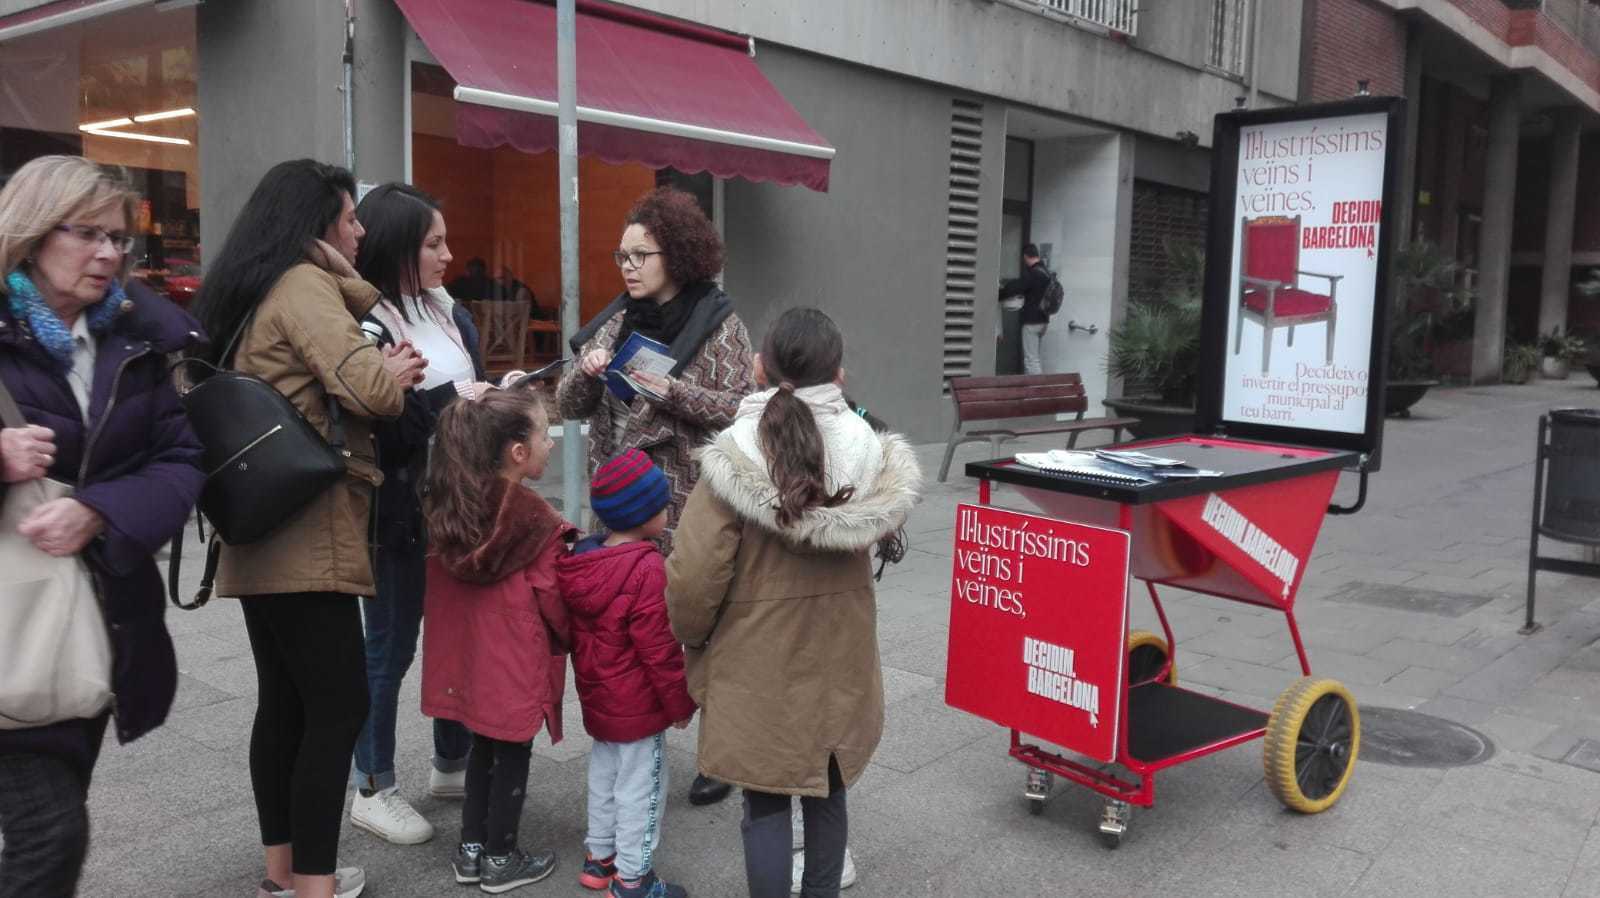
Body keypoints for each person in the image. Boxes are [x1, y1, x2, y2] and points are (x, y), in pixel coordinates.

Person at [192, 159, 426, 898]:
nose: (360, 232)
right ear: (315, 224)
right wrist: (393, 370)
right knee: (339, 705)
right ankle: (314, 886)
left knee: (286, 704)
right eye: (350, 218)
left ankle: (284, 875)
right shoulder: (302, 284)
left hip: (259, 522)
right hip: (306, 529)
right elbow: (372, 391)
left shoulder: (253, 286)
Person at [0, 155, 205, 898]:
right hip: (11, 621)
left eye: (118, 238)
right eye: (86, 234)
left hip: (92, 619)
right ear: (32, 232)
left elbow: (180, 460)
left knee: (54, 821)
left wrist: (99, 512)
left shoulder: (134, 341)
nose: (108, 254)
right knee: (50, 836)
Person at [665, 308, 922, 898]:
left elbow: (695, 575)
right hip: (841, 656)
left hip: (757, 662)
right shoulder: (870, 449)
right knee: (829, 789)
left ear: (759, 367)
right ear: (839, 373)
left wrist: (693, 637)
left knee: (765, 802)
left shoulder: (734, 455)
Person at [555, 186, 755, 808]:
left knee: (703, 622)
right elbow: (567, 405)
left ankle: (719, 748)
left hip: (685, 500)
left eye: (641, 255)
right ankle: (644, 736)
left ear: (679, 254)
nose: (629, 267)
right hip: (619, 502)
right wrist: (586, 372)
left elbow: (740, 411)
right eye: (622, 256)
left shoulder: (719, 324)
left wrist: (672, 393)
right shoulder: (618, 319)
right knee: (634, 625)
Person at [346, 183, 492, 845]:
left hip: (459, 506)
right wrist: (456, 403)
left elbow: (457, 396)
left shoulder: (446, 309)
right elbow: (382, 428)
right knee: (390, 647)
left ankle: (451, 763)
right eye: (433, 243)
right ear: (398, 247)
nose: (447, 254)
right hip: (399, 512)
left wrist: (489, 399)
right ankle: (372, 786)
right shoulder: (367, 324)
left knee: (458, 635)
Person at [421, 388, 573, 893]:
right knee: (511, 752)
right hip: (515, 658)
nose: (551, 443)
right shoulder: (537, 522)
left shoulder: (452, 508)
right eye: (545, 434)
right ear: (518, 451)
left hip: (468, 657)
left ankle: (471, 851)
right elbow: (554, 599)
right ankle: (502, 857)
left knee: (482, 746)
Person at [555, 449, 697, 898]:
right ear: (644, 515)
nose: (668, 510)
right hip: (639, 706)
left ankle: (600, 857)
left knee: (604, 778)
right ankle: (634, 879)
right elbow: (660, 651)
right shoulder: (646, 568)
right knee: (644, 789)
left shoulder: (584, 561)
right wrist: (680, 704)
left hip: (600, 699)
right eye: (662, 504)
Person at [998, 243, 1052, 375]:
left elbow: (1015, 288)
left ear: (1026, 256)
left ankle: (1037, 387)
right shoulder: (1046, 272)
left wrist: (999, 293)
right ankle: (1036, 384)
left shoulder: (1033, 273)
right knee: (1035, 357)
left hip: (1031, 321)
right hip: (1043, 321)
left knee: (1031, 360)